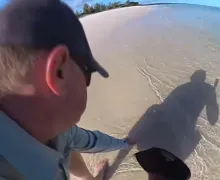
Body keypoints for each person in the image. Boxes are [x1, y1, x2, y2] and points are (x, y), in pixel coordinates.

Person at [0, 0, 134, 180]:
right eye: (88, 72)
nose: (88, 83)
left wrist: (124, 143)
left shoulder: (49, 124)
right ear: (58, 71)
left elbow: (88, 141)